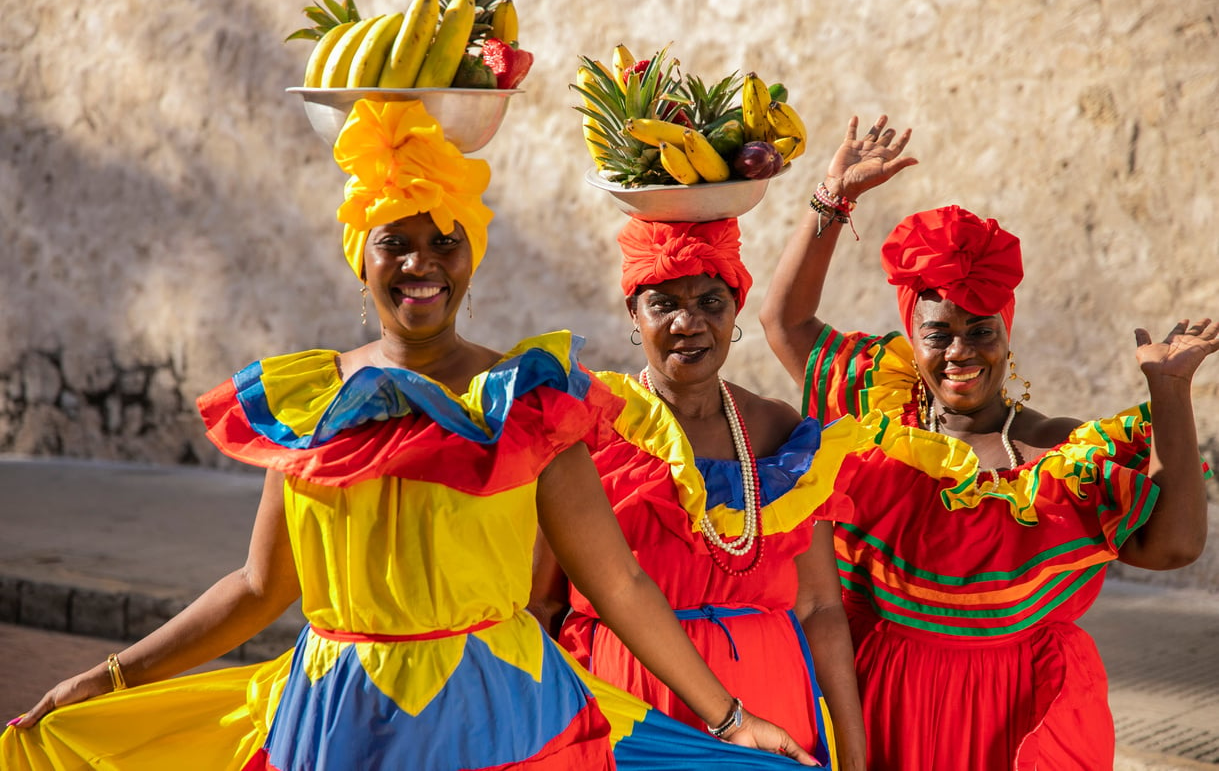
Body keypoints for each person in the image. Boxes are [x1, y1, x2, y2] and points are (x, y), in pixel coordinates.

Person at [2, 99, 820, 769]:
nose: (420, 262)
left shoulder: (530, 401)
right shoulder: (308, 399)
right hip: (339, 725)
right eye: (396, 241)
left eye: (444, 240)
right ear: (362, 258)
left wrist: (728, 720)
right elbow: (258, 588)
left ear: (471, 257)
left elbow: (621, 587)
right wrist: (109, 675)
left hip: (505, 720)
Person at [758, 115, 1218, 770]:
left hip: (1013, 719)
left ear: (1006, 333)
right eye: (938, 332)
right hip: (886, 704)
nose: (959, 353)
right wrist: (832, 199)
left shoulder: (1055, 454)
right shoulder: (879, 419)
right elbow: (784, 321)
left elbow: (1171, 544)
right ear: (909, 335)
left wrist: (1170, 392)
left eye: (980, 331)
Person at [531, 215, 869, 769]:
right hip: (636, 719)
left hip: (776, 717)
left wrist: (855, 758)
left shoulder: (780, 433)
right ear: (633, 314)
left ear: (736, 310)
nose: (690, 323)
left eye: (711, 302)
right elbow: (543, 605)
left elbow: (820, 607)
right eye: (663, 304)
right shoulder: (588, 431)